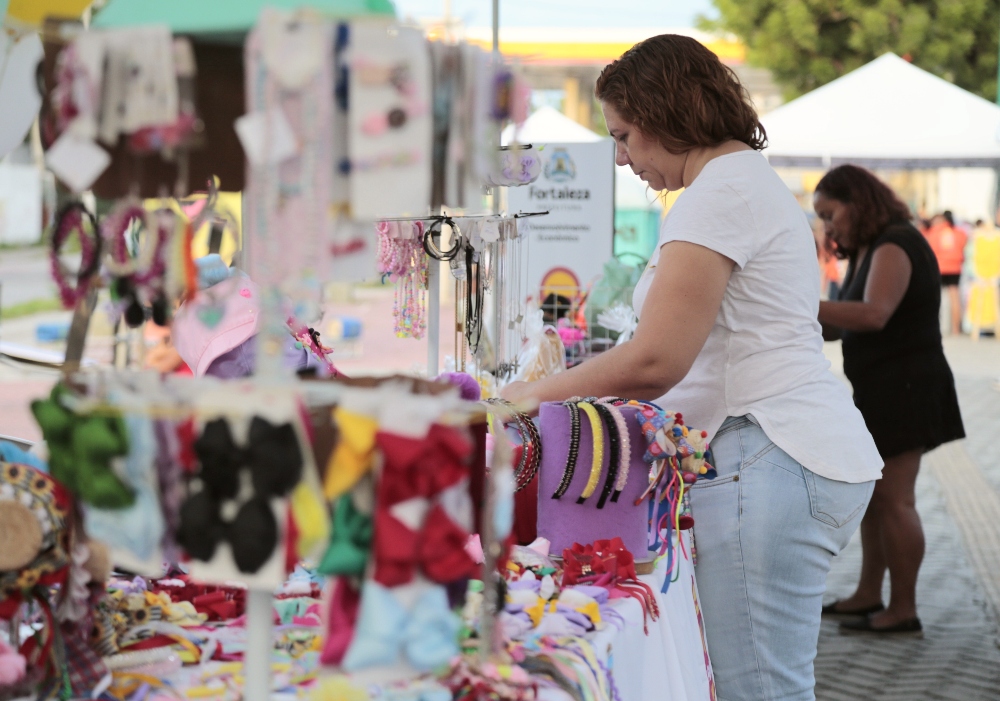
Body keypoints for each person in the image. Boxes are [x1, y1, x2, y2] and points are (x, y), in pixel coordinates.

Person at [500, 34, 881, 701]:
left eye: (624, 137)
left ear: (664, 113)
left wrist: (533, 393)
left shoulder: (720, 194)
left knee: (756, 688)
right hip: (779, 455)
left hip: (767, 455)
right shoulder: (735, 184)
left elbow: (656, 359)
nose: (620, 159)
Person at [815, 165, 965, 636]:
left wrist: (795, 305)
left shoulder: (896, 243)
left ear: (857, 202)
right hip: (883, 389)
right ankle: (868, 593)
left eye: (830, 214)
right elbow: (842, 323)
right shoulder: (867, 248)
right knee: (876, 498)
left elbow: (873, 314)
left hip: (907, 388)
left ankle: (903, 608)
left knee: (896, 500)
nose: (828, 227)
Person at [924, 210, 967, 334]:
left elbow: (930, 249)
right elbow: (962, 245)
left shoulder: (933, 232)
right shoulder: (958, 232)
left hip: (939, 267)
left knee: (937, 297)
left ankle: (938, 327)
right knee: (955, 298)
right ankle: (955, 329)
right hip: (955, 267)